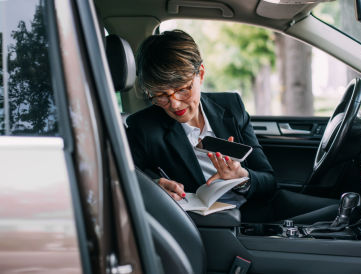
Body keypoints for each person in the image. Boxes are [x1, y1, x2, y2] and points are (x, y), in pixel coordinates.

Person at [127, 29, 340, 224]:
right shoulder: (142, 128)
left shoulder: (231, 106)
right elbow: (126, 183)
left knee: (349, 212)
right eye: (161, 96)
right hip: (212, 227)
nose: (174, 104)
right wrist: (155, 187)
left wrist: (242, 179)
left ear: (200, 74)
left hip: (260, 208)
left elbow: (268, 180)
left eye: (182, 89)